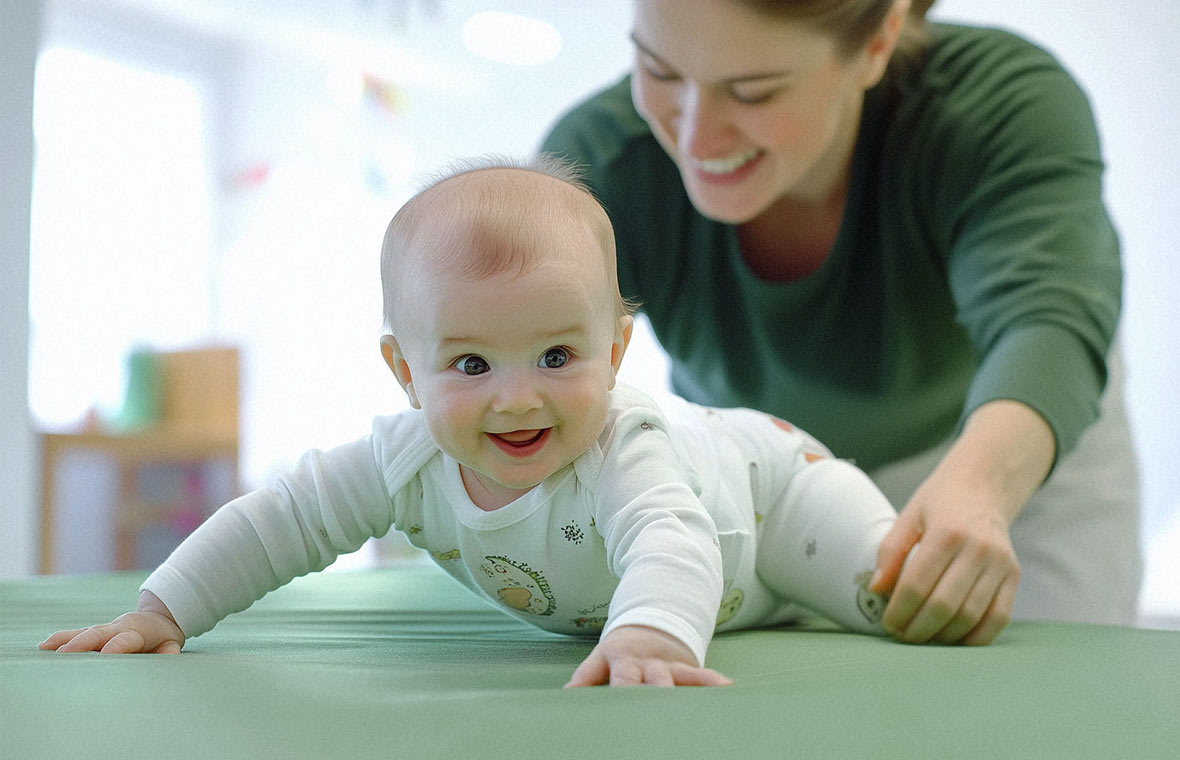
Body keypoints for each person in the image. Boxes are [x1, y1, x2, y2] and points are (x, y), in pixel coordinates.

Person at [42, 156, 902, 687]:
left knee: (907, 604)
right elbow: (283, 518)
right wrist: (163, 611)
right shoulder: (403, 460)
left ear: (616, 350)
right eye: (472, 365)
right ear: (404, 373)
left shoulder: (622, 449)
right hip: (744, 583)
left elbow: (671, 538)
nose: (517, 398)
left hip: (775, 502)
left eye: (559, 358)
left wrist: (648, 638)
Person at [540, 0, 1141, 644]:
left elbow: (1048, 322)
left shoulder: (996, 105)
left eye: (753, 92)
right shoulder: (603, 162)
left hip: (996, 442)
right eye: (659, 72)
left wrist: (982, 487)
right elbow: (517, 350)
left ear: (879, 40)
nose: (695, 140)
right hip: (759, 472)